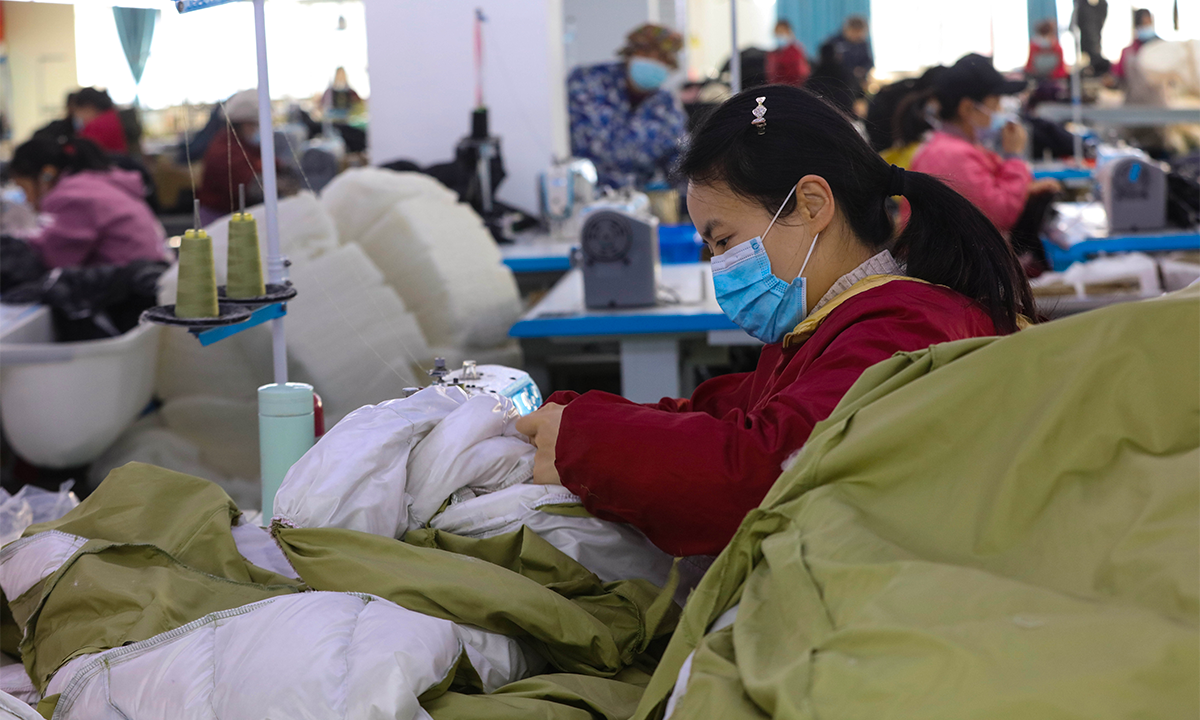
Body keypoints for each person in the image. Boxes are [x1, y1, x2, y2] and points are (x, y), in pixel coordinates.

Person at [515, 85, 1035, 557]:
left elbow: (761, 475)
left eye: (723, 241)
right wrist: (568, 417)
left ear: (811, 205)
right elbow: (733, 413)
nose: (717, 265)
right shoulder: (838, 325)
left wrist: (583, 439)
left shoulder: (900, 332)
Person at [909, 54, 1060, 271]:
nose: (1000, 111)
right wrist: (1015, 157)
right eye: (996, 103)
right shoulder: (951, 155)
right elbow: (998, 215)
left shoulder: (957, 147)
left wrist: (1025, 190)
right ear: (968, 108)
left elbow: (984, 193)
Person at [6, 136, 166, 269]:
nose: (26, 199)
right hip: (148, 276)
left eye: (24, 188)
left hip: (130, 292)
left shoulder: (72, 196)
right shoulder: (97, 182)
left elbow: (53, 257)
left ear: (46, 175)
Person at [567, 23, 687, 189]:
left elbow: (678, 159)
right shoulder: (586, 82)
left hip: (634, 200)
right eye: (645, 52)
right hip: (581, 193)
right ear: (630, 53)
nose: (653, 61)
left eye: (661, 57)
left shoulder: (667, 106)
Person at [197, 89, 267, 224]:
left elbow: (265, 163)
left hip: (234, 216)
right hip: (218, 218)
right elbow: (253, 186)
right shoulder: (224, 150)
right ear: (245, 125)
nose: (259, 130)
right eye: (256, 125)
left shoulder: (244, 145)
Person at [820, 15, 874, 96]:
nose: (857, 36)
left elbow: (869, 62)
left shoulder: (863, 44)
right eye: (855, 32)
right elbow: (826, 64)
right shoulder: (834, 43)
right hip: (837, 84)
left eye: (860, 33)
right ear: (847, 29)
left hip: (858, 83)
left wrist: (862, 69)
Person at [70, 88, 129, 155]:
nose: (79, 116)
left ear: (88, 108)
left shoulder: (96, 125)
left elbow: (79, 150)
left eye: (78, 112)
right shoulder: (112, 115)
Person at [766, 19, 810, 87]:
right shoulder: (773, 53)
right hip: (775, 88)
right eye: (777, 33)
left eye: (781, 32)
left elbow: (801, 73)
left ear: (788, 33)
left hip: (792, 89)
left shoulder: (795, 52)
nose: (779, 36)